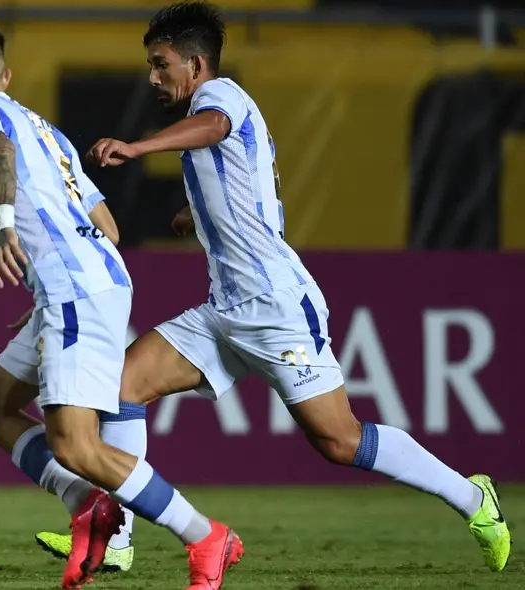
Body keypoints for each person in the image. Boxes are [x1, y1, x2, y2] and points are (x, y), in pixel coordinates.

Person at [33, 1, 512, 581]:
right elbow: (260, 185)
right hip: (224, 310)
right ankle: (120, 539)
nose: (154, 77)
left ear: (196, 63)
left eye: (161, 65)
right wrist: (198, 213)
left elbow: (213, 130)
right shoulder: (215, 114)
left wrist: (138, 147)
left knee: (339, 441)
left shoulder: (221, 97)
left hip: (277, 307)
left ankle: (472, 498)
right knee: (122, 385)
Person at [0, 21, 242, 590]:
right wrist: (53, 283)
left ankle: (206, 535)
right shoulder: (48, 132)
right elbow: (106, 224)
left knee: (76, 443)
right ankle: (90, 507)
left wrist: (7, 228)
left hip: (74, 289)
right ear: (6, 76)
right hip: (85, 281)